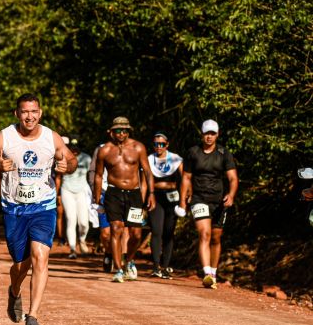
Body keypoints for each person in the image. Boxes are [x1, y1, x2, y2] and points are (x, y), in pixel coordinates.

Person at [0, 93, 77, 325]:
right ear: (17, 114)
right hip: (14, 208)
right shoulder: (5, 137)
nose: (29, 116)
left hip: (43, 206)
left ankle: (32, 316)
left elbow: (71, 161)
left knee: (40, 256)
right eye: (24, 112)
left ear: (40, 113)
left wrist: (67, 166)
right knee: (21, 264)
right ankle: (14, 290)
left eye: (34, 111)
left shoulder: (51, 137)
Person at [94, 117, 156, 283]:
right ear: (111, 132)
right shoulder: (105, 150)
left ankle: (129, 260)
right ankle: (119, 269)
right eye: (118, 130)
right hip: (113, 193)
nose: (121, 133)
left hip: (134, 194)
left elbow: (148, 172)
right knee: (116, 228)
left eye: (124, 130)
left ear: (129, 131)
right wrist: (96, 197)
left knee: (136, 233)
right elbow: (99, 175)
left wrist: (151, 193)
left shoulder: (138, 147)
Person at [178, 119, 238, 289]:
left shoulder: (224, 153)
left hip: (219, 201)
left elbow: (233, 178)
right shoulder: (193, 152)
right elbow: (186, 178)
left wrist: (231, 195)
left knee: (216, 237)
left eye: (212, 133)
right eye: (206, 133)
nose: (209, 137)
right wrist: (183, 201)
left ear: (217, 134)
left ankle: (213, 272)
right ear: (202, 134)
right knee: (204, 234)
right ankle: (206, 273)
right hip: (199, 199)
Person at [147, 132, 183, 279]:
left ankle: (166, 266)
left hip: (172, 198)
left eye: (162, 144)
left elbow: (185, 180)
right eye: (156, 144)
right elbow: (145, 180)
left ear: (167, 145)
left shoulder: (176, 159)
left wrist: (184, 200)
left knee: (169, 232)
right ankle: (156, 266)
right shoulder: (149, 159)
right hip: (156, 197)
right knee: (156, 231)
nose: (159, 147)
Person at [56, 139, 91, 258]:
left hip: (82, 191)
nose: (75, 150)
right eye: (72, 148)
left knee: (84, 222)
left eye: (77, 148)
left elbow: (91, 176)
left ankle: (82, 240)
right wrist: (57, 194)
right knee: (71, 219)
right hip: (67, 190)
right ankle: (72, 249)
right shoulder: (63, 158)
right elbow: (58, 178)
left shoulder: (87, 158)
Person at [89, 144, 113, 272]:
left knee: (121, 229)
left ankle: (123, 259)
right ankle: (108, 253)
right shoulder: (100, 148)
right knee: (105, 233)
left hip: (122, 192)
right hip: (103, 193)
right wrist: (95, 191)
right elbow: (93, 171)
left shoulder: (131, 147)